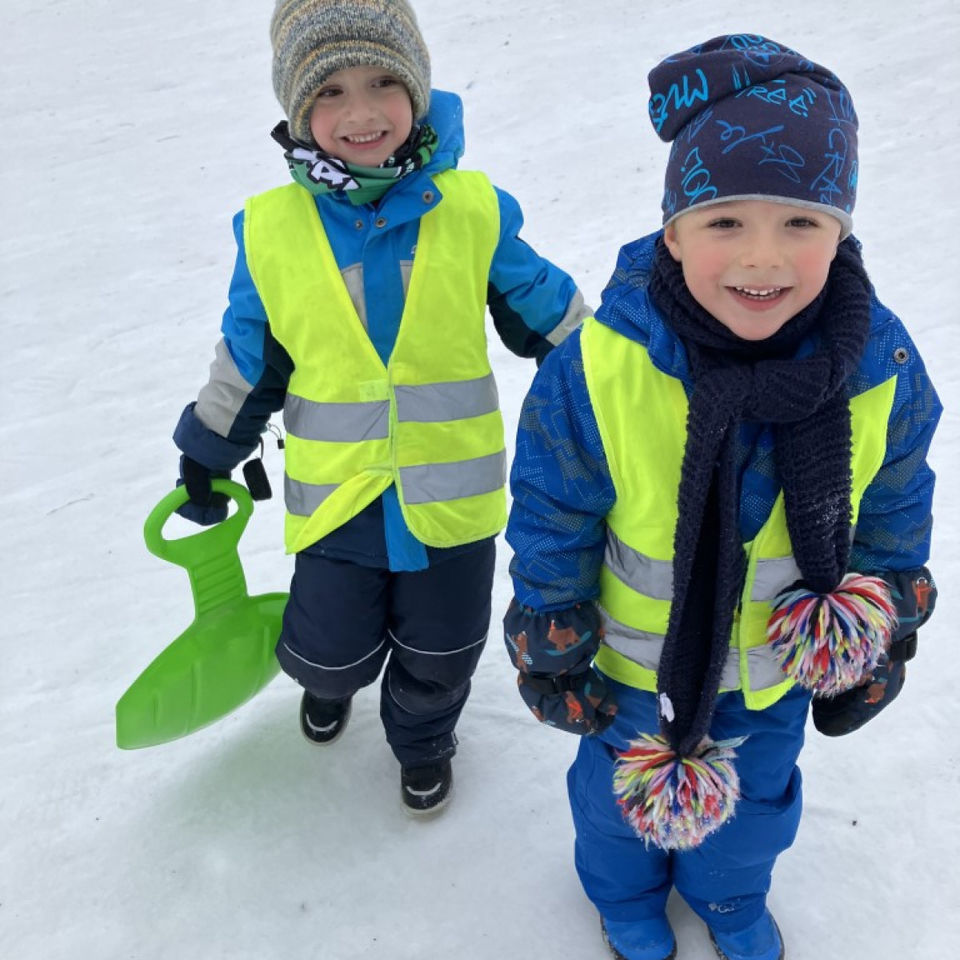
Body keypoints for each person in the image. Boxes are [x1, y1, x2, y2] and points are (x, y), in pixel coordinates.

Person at [503, 34, 939, 960]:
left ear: (842, 231)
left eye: (801, 223)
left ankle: (731, 900)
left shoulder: (878, 366)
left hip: (777, 668)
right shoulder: (606, 363)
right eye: (725, 222)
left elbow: (896, 496)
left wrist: (889, 608)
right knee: (620, 803)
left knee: (758, 803)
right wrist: (549, 613)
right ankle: (624, 898)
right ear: (673, 231)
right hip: (630, 666)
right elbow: (554, 497)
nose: (763, 259)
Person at [172, 0, 590, 817]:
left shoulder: (472, 211)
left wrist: (619, 383)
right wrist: (210, 447)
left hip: (454, 503)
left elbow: (554, 317)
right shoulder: (272, 230)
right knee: (326, 647)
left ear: (418, 91)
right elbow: (247, 354)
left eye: (382, 82)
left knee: (443, 651)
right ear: (296, 109)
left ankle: (424, 739)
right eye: (327, 90)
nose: (360, 112)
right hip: (340, 497)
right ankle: (329, 689)